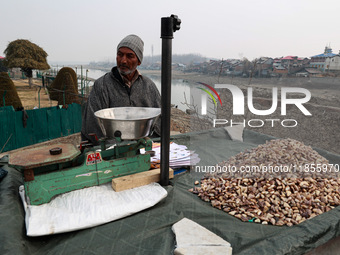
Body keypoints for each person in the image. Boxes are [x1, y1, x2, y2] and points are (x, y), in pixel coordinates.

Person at [81, 34, 161, 144]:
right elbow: (93, 125)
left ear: (139, 61)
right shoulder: (101, 86)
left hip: (144, 153)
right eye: (120, 55)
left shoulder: (148, 86)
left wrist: (147, 144)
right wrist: (118, 149)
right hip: (112, 155)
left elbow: (160, 122)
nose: (123, 60)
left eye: (129, 56)